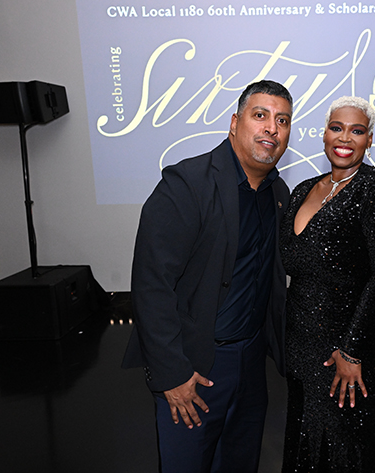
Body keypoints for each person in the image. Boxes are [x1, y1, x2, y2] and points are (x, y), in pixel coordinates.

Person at [122, 80, 293, 473]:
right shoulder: (186, 184)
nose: (272, 127)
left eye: (282, 120)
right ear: (235, 123)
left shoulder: (278, 193)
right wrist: (172, 375)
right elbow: (152, 285)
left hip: (251, 367)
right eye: (260, 115)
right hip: (193, 368)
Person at [279, 96, 375, 472]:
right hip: (305, 348)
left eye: (357, 131)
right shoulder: (303, 190)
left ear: (369, 140)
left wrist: (352, 350)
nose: (345, 138)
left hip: (356, 349)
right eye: (336, 128)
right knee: (310, 440)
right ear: (324, 134)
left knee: (354, 449)